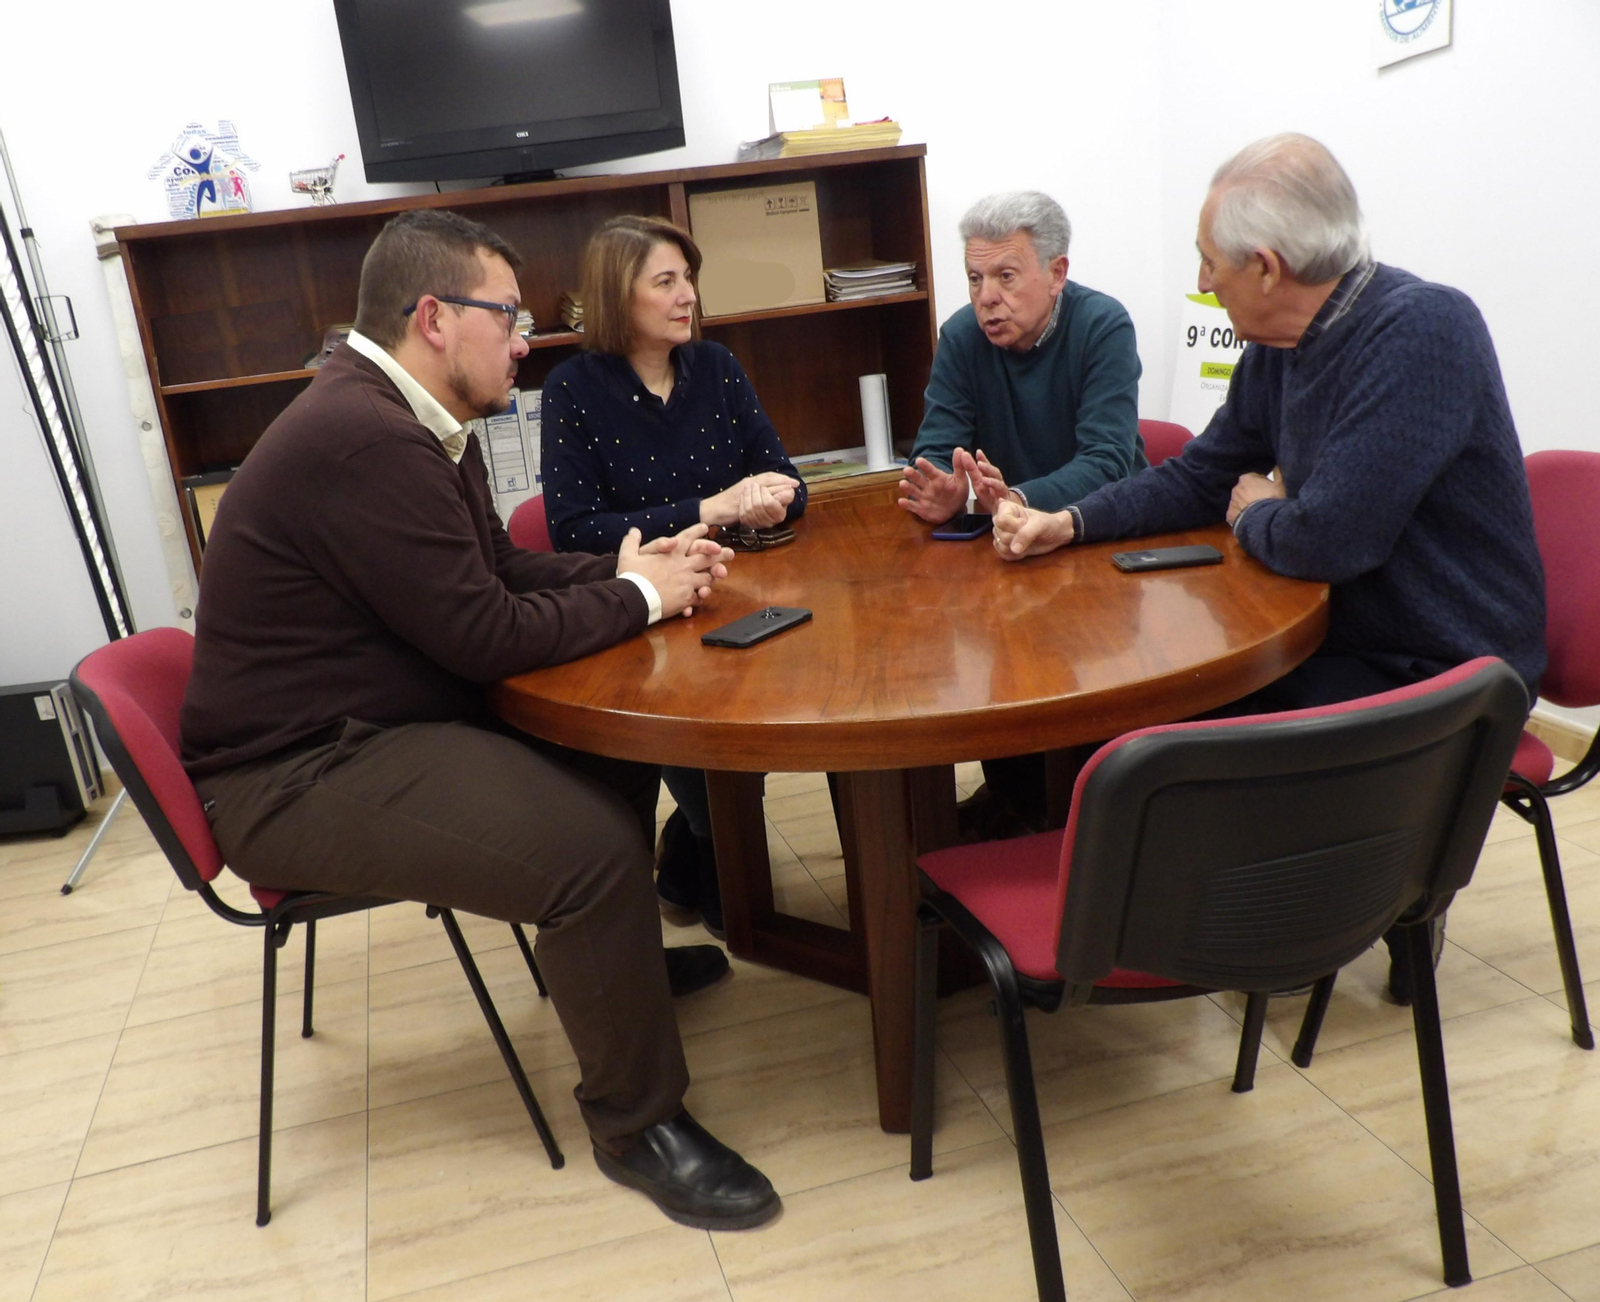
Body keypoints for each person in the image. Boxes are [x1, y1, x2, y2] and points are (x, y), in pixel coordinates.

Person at [180, 209, 780, 1230]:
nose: (525, 342)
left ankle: (617, 972)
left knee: (613, 751)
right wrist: (642, 598)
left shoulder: (415, 414)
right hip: (294, 771)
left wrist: (630, 569)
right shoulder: (365, 439)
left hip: (374, 720)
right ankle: (636, 1124)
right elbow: (483, 634)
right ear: (433, 317)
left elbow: (497, 570)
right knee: (590, 855)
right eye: (508, 317)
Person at [991, 134, 1546, 1000]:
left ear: (1265, 267)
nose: (1202, 280)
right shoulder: (1279, 347)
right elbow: (1203, 476)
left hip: (1440, 669)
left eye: (1209, 262)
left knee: (1173, 750)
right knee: (1150, 722)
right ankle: (1175, 929)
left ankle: (1367, 907)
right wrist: (1071, 521)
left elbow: (1330, 541)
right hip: (1340, 635)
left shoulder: (1424, 330)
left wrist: (1257, 512)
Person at [542, 215, 807, 936]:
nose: (687, 295)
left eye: (688, 278)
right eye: (666, 282)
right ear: (616, 296)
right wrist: (708, 508)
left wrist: (767, 499)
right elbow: (572, 530)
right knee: (689, 715)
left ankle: (697, 846)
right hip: (643, 607)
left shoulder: (716, 367)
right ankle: (715, 846)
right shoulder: (572, 389)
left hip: (735, 590)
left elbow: (788, 482)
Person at [898, 190, 1145, 834]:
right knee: (990, 654)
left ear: (1056, 273)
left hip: (1100, 547)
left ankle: (1085, 814)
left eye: (1006, 277)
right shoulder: (961, 336)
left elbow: (1109, 461)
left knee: (1086, 684)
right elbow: (936, 449)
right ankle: (1016, 800)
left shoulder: (1103, 326)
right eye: (975, 278)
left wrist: (1020, 499)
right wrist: (945, 490)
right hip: (1009, 552)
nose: (987, 298)